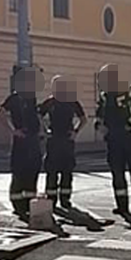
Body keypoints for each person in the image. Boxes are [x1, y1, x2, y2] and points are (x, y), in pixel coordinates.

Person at [96, 64, 131, 221]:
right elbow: (100, 116)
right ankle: (122, 206)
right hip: (113, 141)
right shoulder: (105, 96)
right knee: (117, 174)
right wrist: (100, 126)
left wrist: (130, 124)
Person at [0, 66, 43, 221]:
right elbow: (0, 113)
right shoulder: (15, 98)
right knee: (19, 172)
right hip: (22, 140)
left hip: (33, 140)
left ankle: (29, 203)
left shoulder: (32, 98)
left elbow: (36, 118)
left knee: (33, 171)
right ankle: (18, 205)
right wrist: (13, 130)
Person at [39, 74, 87, 211]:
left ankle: (65, 200)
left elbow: (83, 119)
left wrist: (75, 132)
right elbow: (39, 115)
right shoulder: (50, 102)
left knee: (67, 172)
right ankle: (51, 200)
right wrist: (44, 130)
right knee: (51, 172)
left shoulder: (72, 101)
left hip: (67, 140)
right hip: (53, 139)